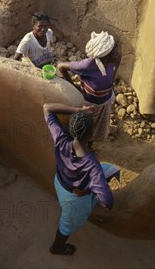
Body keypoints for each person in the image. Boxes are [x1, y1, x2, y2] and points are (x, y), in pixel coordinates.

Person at [43, 102, 119, 255]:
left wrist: (78, 110)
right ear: (91, 135)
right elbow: (107, 202)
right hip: (75, 200)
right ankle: (56, 248)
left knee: (113, 170)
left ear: (71, 129)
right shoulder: (92, 166)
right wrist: (89, 190)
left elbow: (47, 108)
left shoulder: (61, 138)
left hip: (60, 182)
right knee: (67, 225)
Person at [57, 31, 122, 142]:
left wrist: (110, 81)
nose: (118, 50)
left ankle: (91, 144)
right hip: (90, 105)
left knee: (98, 128)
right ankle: (85, 145)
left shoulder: (114, 58)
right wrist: (72, 86)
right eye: (114, 48)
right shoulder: (88, 65)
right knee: (85, 129)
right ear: (105, 56)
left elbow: (116, 65)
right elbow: (61, 66)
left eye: (115, 46)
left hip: (105, 102)